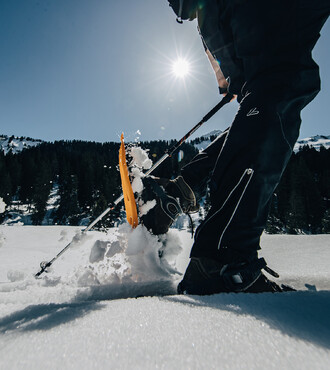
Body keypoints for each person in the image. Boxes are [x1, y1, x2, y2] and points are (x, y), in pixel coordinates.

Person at [141, 0, 329, 294]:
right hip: (241, 12)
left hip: (218, 17)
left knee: (268, 97)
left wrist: (236, 80)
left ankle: (181, 191)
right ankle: (222, 260)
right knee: (280, 85)